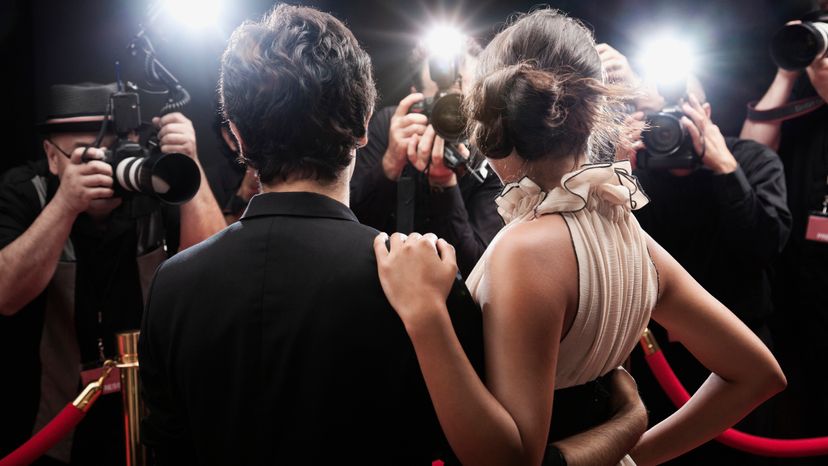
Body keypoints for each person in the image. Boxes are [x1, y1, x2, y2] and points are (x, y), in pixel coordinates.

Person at [139, 5, 649, 465]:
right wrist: (626, 424)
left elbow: (168, 445)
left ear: (238, 136)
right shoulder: (418, 285)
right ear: (365, 125)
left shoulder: (172, 284)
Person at [374, 8, 787, 466]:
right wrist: (634, 452)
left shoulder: (527, 248)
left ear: (494, 117)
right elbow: (758, 374)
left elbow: (511, 460)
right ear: (595, 113)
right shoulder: (629, 233)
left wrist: (426, 316)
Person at [0, 82, 225, 464]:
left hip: (154, 412)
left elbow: (217, 277)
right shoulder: (25, 191)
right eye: (86, 157)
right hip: (52, 420)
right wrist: (65, 205)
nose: (105, 167)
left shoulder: (153, 182)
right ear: (52, 157)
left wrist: (190, 164)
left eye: (112, 151)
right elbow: (6, 295)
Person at [600, 44, 792, 465]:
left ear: (704, 110)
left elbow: (763, 247)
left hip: (737, 346)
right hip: (658, 358)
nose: (670, 125)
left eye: (680, 110)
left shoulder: (751, 160)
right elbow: (610, 245)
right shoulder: (637, 170)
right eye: (659, 115)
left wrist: (725, 169)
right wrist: (619, 162)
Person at [740, 11, 828, 463]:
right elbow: (750, 155)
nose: (824, 63)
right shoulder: (802, 119)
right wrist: (789, 66)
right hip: (803, 305)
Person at [350, 37, 503, 277]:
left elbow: (479, 268)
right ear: (416, 98)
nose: (456, 115)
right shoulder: (391, 127)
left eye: (465, 102)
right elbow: (350, 225)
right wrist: (390, 164)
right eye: (443, 102)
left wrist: (445, 185)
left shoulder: (491, 153)